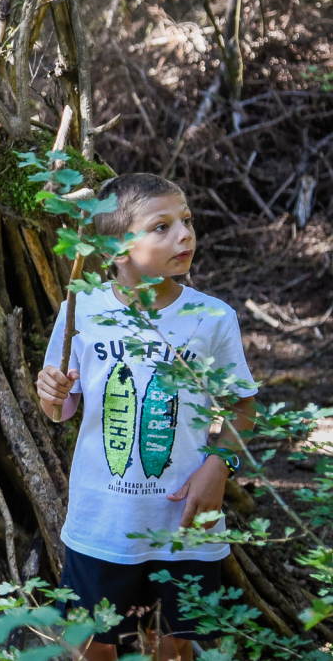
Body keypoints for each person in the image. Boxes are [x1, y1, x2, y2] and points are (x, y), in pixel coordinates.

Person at [35, 172, 257, 660]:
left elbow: (243, 408)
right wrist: (50, 391)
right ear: (116, 249)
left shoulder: (212, 316)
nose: (184, 235)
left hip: (185, 521)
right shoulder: (83, 308)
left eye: (187, 221)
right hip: (102, 521)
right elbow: (61, 408)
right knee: (94, 645)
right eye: (162, 226)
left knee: (175, 646)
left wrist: (219, 466)